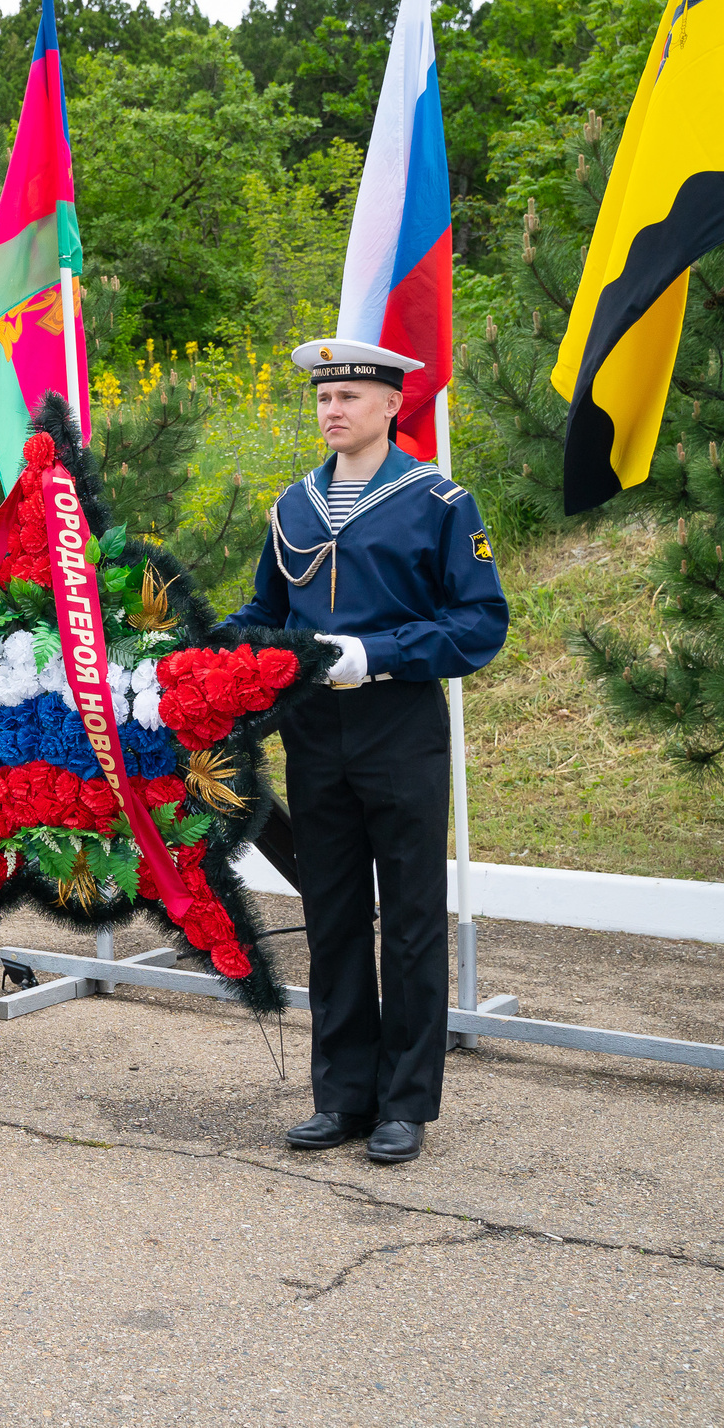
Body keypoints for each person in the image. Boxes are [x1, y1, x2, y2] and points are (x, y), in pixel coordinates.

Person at [229, 338, 508, 1167]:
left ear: (392, 405)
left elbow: (479, 624)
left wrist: (377, 653)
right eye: (324, 398)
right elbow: (262, 609)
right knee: (335, 915)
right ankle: (342, 1097)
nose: (334, 410)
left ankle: (405, 1104)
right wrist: (212, 656)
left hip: (399, 729)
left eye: (351, 395)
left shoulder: (440, 502)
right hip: (317, 733)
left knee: (413, 921)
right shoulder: (293, 508)